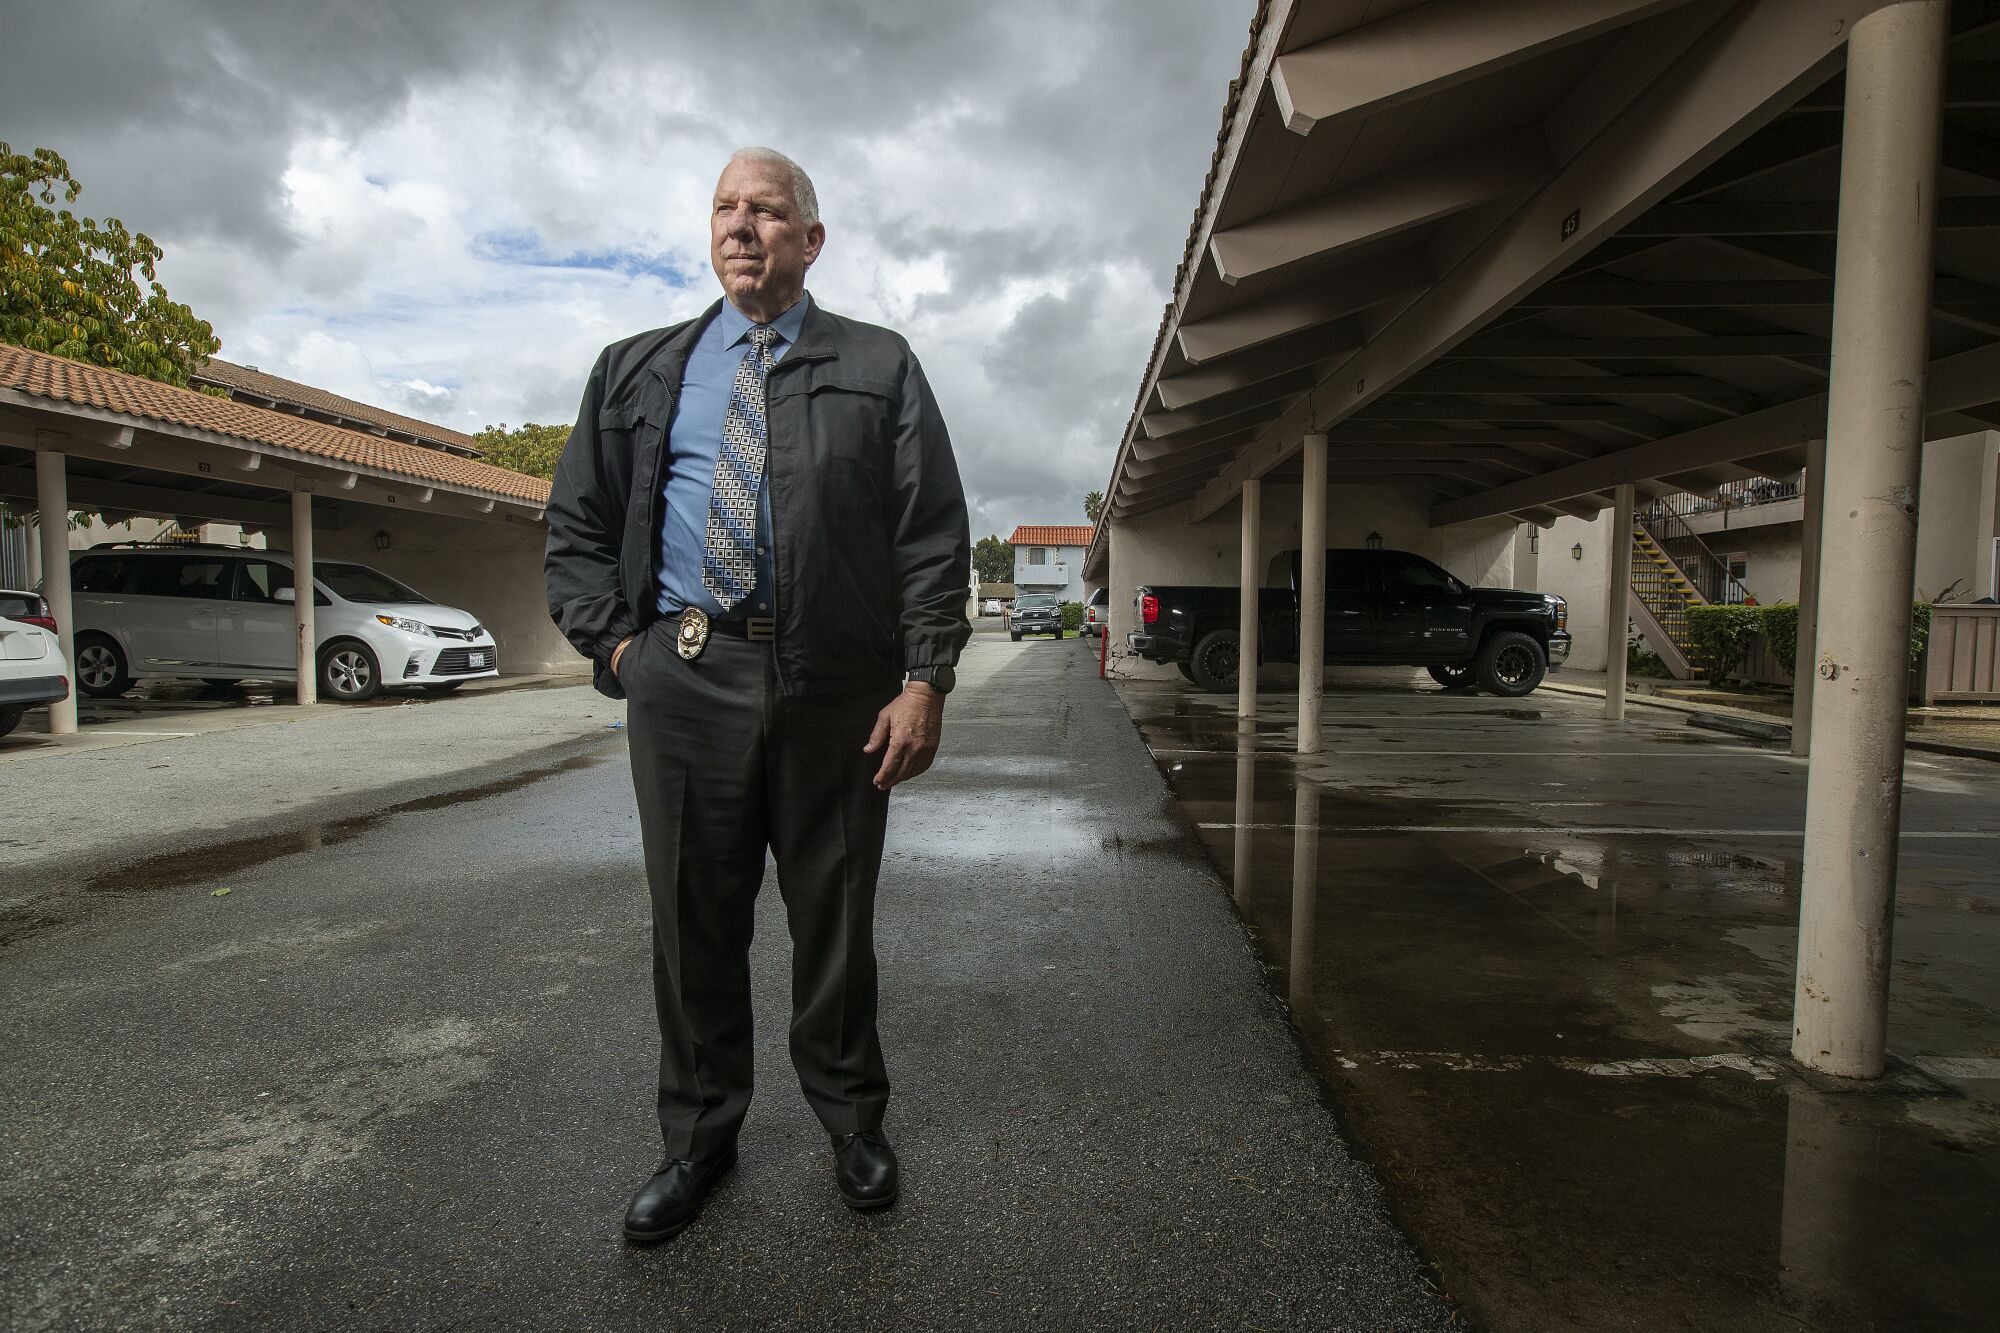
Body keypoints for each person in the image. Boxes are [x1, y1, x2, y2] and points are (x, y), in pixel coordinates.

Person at [544, 146, 971, 1245]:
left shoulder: (878, 367)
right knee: (692, 921)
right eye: (726, 208)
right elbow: (577, 531)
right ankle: (697, 1142)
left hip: (836, 684)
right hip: (685, 676)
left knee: (834, 920)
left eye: (768, 211)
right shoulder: (639, 369)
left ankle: (850, 1121)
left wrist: (922, 677)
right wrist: (620, 652)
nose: (742, 226)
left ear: (809, 240)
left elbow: (928, 536)